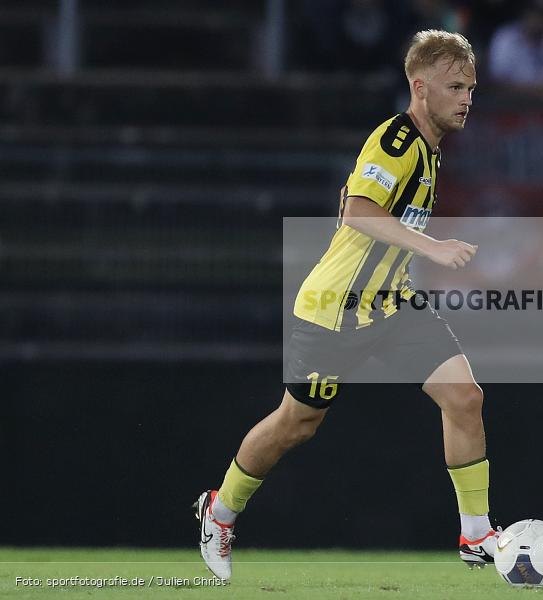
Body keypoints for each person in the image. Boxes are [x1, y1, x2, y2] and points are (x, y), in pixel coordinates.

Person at [194, 30, 497, 581]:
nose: (466, 99)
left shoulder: (431, 149)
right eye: (455, 87)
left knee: (465, 398)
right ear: (419, 86)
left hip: (393, 303)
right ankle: (219, 514)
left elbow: (366, 214)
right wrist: (433, 247)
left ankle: (476, 536)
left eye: (471, 88)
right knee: (297, 423)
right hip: (336, 308)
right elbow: (359, 210)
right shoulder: (398, 141)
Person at [487, 0, 543, 97]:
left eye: (542, 15)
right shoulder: (504, 36)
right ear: (523, 15)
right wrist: (531, 91)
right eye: (533, 14)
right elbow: (497, 80)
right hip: (514, 100)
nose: (538, 20)